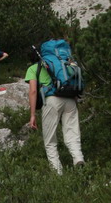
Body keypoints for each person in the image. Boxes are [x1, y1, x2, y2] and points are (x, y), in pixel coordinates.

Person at [26, 45, 84, 173]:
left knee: (50, 140)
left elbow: (33, 91)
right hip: (70, 98)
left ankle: (58, 174)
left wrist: (32, 115)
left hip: (51, 100)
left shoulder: (32, 69)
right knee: (72, 133)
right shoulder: (62, 64)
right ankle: (78, 158)